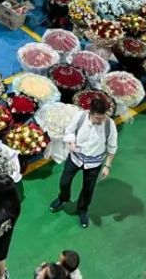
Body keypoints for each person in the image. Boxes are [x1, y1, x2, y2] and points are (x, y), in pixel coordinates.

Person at [50, 96, 117, 228]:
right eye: (98, 118)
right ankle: (63, 198)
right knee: (64, 182)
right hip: (75, 158)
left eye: (103, 117)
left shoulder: (109, 124)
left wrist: (107, 166)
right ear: (90, 112)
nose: (101, 120)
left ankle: (82, 210)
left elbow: (112, 147)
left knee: (88, 189)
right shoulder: (80, 117)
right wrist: (71, 140)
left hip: (94, 163)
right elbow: (69, 131)